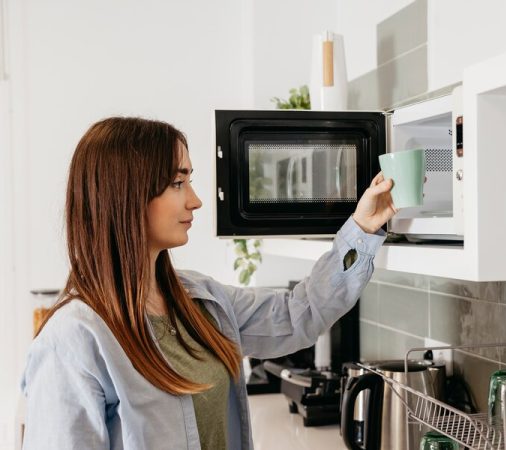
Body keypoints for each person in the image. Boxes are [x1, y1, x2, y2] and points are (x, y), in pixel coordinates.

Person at [20, 117, 397, 450]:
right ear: (127, 195)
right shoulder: (72, 342)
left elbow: (300, 314)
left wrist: (361, 229)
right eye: (177, 182)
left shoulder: (200, 300)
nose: (197, 200)